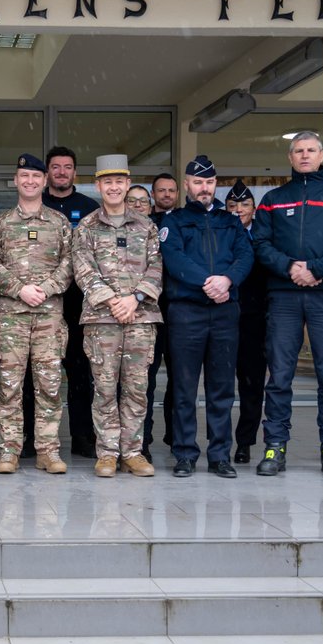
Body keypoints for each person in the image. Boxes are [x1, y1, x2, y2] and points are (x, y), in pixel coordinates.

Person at [252, 131, 323, 478]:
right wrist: (289, 267)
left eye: (310, 150)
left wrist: (316, 269)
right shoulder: (273, 199)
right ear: (290, 157)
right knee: (280, 376)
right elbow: (259, 241)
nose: (304, 156)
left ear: (321, 157)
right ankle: (275, 447)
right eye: (298, 151)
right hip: (284, 297)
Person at [159, 156, 252, 478]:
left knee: (222, 389)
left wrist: (227, 280)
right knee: (184, 388)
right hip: (187, 312)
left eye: (209, 183)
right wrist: (208, 282)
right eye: (198, 183)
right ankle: (184, 454)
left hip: (225, 311)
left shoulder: (231, 221)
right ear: (187, 184)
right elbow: (174, 260)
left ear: (216, 185)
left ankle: (219, 455)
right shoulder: (174, 221)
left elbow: (245, 256)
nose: (204, 188)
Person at [71, 154, 161, 478]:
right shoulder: (87, 226)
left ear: (127, 183)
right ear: (98, 185)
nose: (113, 187)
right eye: (106, 181)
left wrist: (135, 299)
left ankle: (133, 453)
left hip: (141, 317)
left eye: (119, 181)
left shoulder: (146, 225)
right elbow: (82, 268)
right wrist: (112, 300)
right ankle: (107, 453)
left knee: (137, 389)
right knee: (105, 388)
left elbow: (156, 267)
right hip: (102, 321)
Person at [0, 154, 73, 474]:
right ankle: (9, 450)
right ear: (15, 180)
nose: (30, 181)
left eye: (36, 176)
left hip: (49, 317)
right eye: (24, 175)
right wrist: (20, 289)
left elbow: (69, 264)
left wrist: (48, 288)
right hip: (12, 316)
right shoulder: (1, 223)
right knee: (10, 386)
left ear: (45, 181)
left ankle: (48, 450)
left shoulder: (59, 222)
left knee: (50, 386)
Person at [41, 145, 99, 458]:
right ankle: (35, 440)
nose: (61, 172)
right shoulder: (37, 204)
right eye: (56, 167)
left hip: (80, 305)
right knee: (39, 376)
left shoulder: (89, 207)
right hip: (44, 304)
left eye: (67, 167)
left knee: (80, 375)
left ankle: (82, 437)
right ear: (47, 172)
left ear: (75, 172)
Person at [226, 180, 269, 464]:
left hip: (255, 320)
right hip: (223, 317)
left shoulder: (264, 236)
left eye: (244, 205)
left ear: (253, 209)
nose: (239, 210)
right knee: (220, 386)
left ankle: (244, 442)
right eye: (232, 206)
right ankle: (219, 442)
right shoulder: (220, 233)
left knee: (251, 386)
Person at [144, 171, 180, 456]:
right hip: (147, 310)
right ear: (152, 194)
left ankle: (175, 436)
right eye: (161, 190)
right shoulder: (143, 225)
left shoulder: (182, 222)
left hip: (179, 309)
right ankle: (142, 441)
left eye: (171, 190)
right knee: (145, 378)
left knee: (180, 378)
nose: (167, 195)